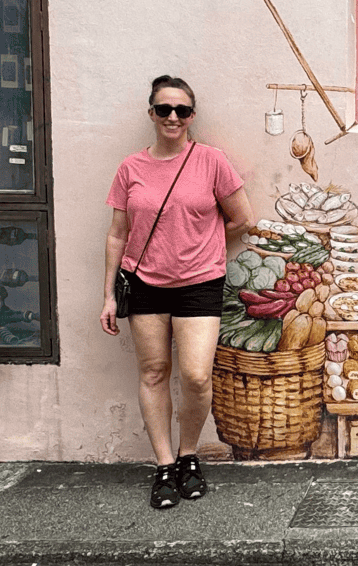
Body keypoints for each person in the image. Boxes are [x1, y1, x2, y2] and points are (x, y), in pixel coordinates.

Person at [100, 76, 252, 509]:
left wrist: (204, 246)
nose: (172, 117)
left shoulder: (211, 161)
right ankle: (165, 466)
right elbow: (117, 235)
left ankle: (189, 455)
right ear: (151, 113)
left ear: (191, 116)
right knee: (152, 372)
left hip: (200, 282)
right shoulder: (131, 168)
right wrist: (109, 294)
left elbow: (242, 218)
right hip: (144, 283)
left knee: (197, 376)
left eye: (181, 111)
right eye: (164, 109)